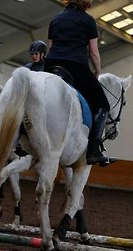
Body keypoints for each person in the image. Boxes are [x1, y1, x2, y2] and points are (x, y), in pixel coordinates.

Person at [44, 0, 114, 166]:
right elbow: (94, 52)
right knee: (102, 104)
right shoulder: (88, 20)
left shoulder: (56, 19)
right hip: (75, 66)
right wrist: (97, 72)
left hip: (51, 64)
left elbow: (51, 44)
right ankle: (94, 150)